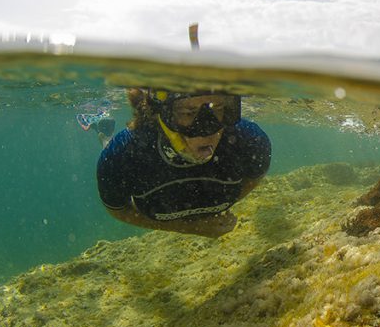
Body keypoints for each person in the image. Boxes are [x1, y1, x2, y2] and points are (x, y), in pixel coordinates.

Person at [96, 88, 271, 237]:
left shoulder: (249, 141)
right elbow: (118, 210)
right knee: (107, 148)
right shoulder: (123, 154)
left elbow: (254, 177)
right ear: (162, 114)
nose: (207, 129)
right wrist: (192, 228)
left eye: (217, 108)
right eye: (188, 112)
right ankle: (104, 132)